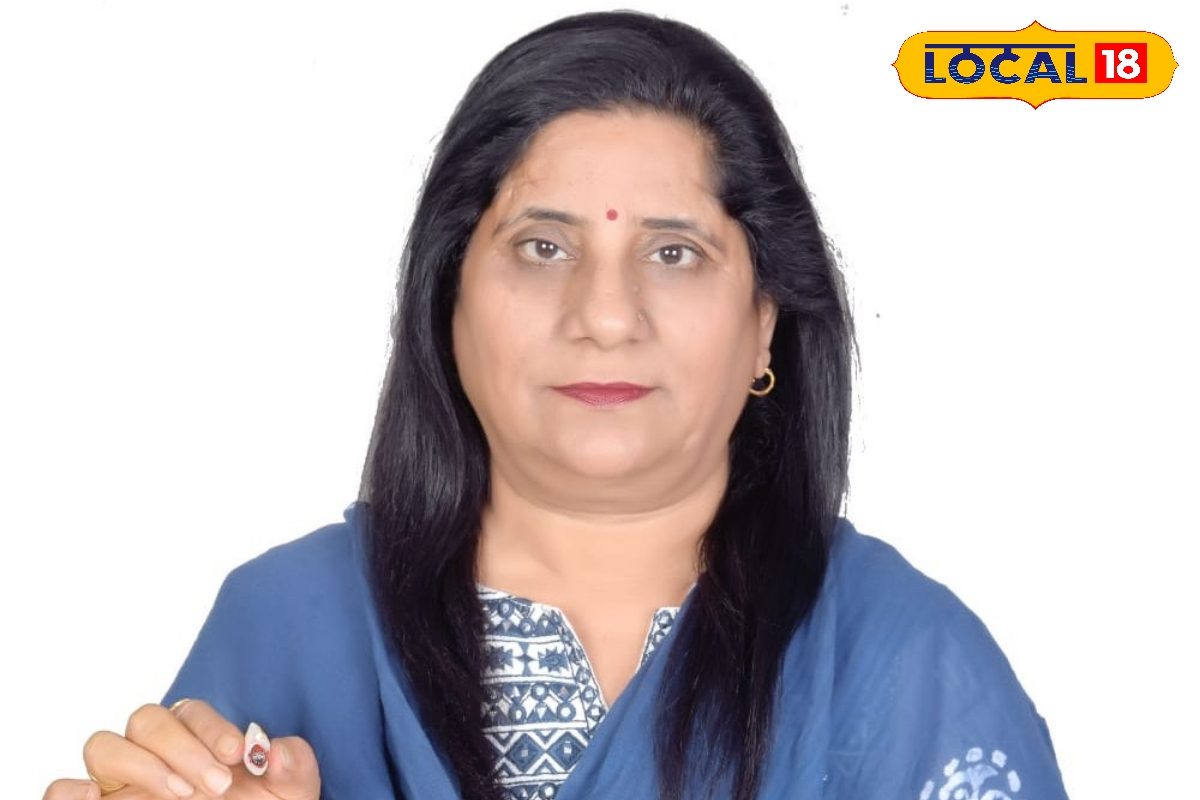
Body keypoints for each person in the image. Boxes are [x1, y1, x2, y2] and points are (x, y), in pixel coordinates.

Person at [44, 10, 1069, 800]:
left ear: (766, 324)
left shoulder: (903, 662)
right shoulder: (290, 629)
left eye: (675, 253)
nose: (606, 315)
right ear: (447, 301)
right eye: (543, 247)